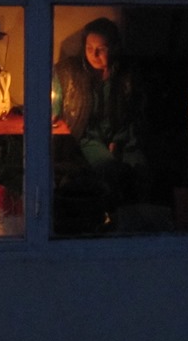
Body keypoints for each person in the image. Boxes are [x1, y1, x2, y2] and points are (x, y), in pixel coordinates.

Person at [51, 17, 149, 214]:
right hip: (91, 137)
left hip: (124, 136)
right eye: (89, 48)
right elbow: (56, 91)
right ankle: (111, 219)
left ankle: (135, 221)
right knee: (110, 170)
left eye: (101, 49)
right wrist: (53, 111)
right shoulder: (73, 71)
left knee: (141, 172)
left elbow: (135, 111)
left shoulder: (127, 74)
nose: (94, 54)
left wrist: (119, 141)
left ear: (114, 48)